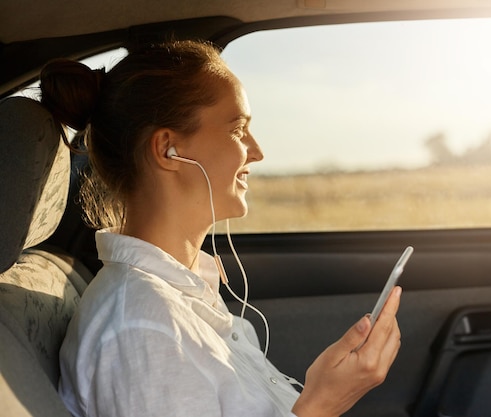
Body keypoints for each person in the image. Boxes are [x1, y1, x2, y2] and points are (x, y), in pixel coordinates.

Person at [40, 39, 402, 417]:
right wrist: (322, 404)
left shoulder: (177, 297)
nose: (257, 151)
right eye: (238, 129)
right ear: (168, 150)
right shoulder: (142, 328)